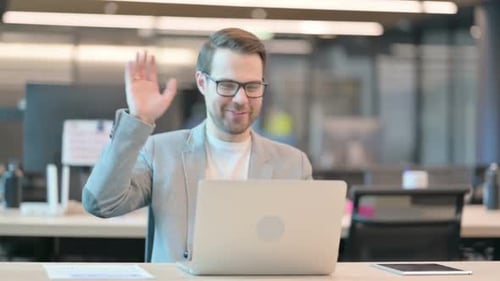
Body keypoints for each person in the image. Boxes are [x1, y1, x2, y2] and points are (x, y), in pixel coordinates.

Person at [82, 28, 313, 262]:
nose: (241, 99)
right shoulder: (161, 152)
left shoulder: (293, 164)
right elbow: (101, 203)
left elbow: (307, 249)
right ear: (202, 83)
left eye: (252, 86)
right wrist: (138, 121)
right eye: (227, 84)